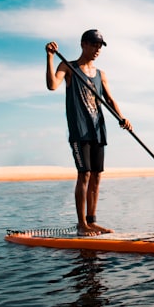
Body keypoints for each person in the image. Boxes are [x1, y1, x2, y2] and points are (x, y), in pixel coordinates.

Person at [45, 29, 132, 236]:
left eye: (100, 46)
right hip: (80, 131)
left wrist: (122, 118)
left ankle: (92, 221)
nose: (97, 50)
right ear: (83, 44)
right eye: (94, 45)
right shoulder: (68, 67)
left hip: (98, 130)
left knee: (97, 176)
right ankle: (82, 224)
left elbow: (110, 99)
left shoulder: (101, 75)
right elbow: (52, 85)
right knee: (83, 175)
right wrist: (49, 57)